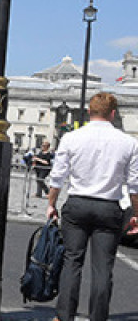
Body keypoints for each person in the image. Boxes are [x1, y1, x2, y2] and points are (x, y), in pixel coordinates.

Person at [47, 92, 138, 321]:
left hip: (78, 204)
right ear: (113, 114)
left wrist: (51, 205)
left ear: (89, 111)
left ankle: (64, 316)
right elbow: (134, 186)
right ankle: (98, 317)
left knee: (72, 261)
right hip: (109, 208)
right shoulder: (129, 143)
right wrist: (136, 214)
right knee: (103, 268)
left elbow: (57, 178)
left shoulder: (71, 138)